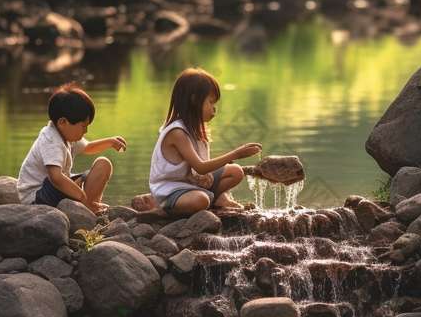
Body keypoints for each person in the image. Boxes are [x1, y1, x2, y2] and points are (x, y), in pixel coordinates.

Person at [145, 67, 261, 214]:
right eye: (211, 102)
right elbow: (200, 166)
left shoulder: (198, 130)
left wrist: (205, 177)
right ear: (194, 100)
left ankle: (218, 199)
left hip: (191, 186)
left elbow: (200, 170)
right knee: (201, 200)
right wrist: (235, 154)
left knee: (236, 172)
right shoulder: (177, 132)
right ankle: (162, 209)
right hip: (172, 190)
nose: (214, 109)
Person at [18, 83, 126, 211]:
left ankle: (89, 206)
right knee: (68, 183)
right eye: (83, 126)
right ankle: (87, 204)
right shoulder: (50, 139)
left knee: (103, 164)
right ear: (63, 122)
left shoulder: (67, 136)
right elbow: (56, 177)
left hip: (55, 188)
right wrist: (81, 195)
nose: (85, 131)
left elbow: (89, 147)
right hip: (38, 196)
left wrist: (110, 142)